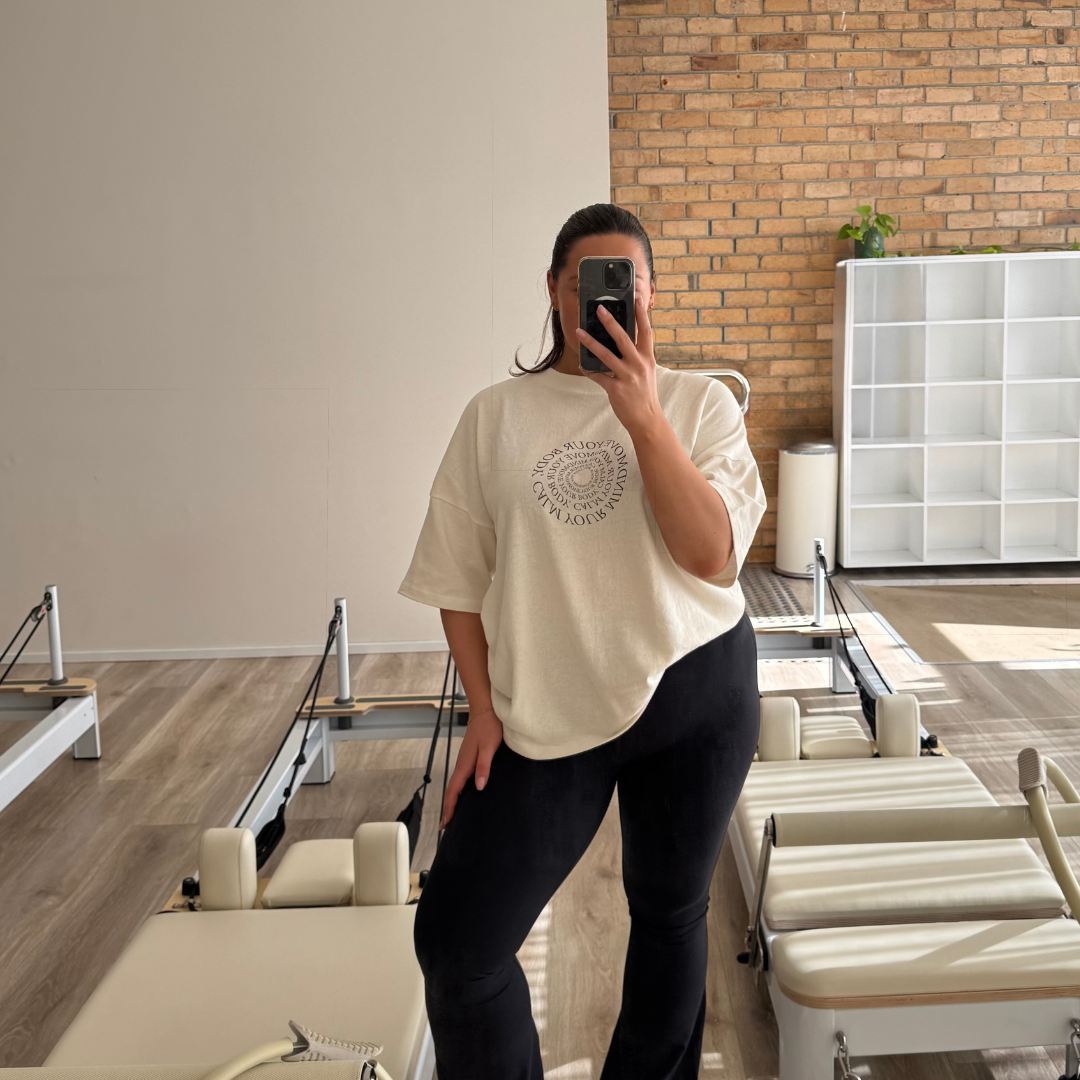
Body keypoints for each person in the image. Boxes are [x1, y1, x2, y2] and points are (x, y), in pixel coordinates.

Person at [397, 203, 767, 1080]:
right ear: (556, 293)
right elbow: (455, 578)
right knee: (457, 946)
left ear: (649, 298)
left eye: (625, 284)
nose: (605, 300)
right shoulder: (495, 417)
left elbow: (710, 556)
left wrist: (641, 415)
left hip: (694, 691)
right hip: (545, 706)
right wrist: (481, 710)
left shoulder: (699, 404)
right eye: (585, 282)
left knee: (671, 914)